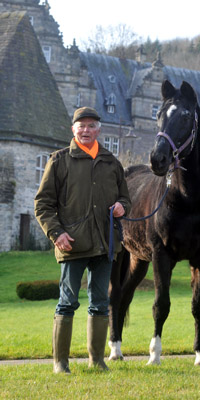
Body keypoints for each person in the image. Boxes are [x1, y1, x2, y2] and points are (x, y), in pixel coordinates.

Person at [34, 107, 131, 374]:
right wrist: (56, 233)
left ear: (99, 130)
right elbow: (42, 204)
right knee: (67, 302)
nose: (86, 130)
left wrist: (123, 206)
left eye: (91, 126)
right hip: (72, 244)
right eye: (81, 126)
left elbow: (125, 198)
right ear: (73, 129)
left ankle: (97, 362)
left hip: (105, 245)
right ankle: (60, 364)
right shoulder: (59, 160)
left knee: (101, 302)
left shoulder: (112, 162)